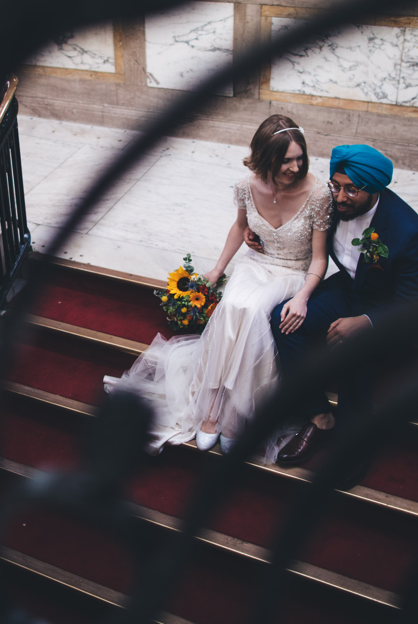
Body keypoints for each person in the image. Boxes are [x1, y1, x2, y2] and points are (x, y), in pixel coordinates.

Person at [104, 115, 332, 454]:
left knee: (253, 311)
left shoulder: (318, 194)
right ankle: (210, 409)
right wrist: (217, 269)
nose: (295, 167)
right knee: (230, 305)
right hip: (255, 263)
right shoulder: (246, 185)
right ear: (267, 156)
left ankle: (236, 416)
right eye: (286, 160)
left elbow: (319, 258)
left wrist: (302, 297)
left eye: (300, 158)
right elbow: (239, 227)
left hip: (292, 272)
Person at [253, 144, 418, 471]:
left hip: (394, 305)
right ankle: (320, 416)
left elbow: (416, 302)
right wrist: (256, 233)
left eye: (352, 190)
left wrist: (367, 322)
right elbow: (295, 225)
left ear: (375, 188)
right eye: (336, 185)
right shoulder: (332, 204)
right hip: (353, 288)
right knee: (284, 318)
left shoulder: (408, 231)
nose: (340, 197)